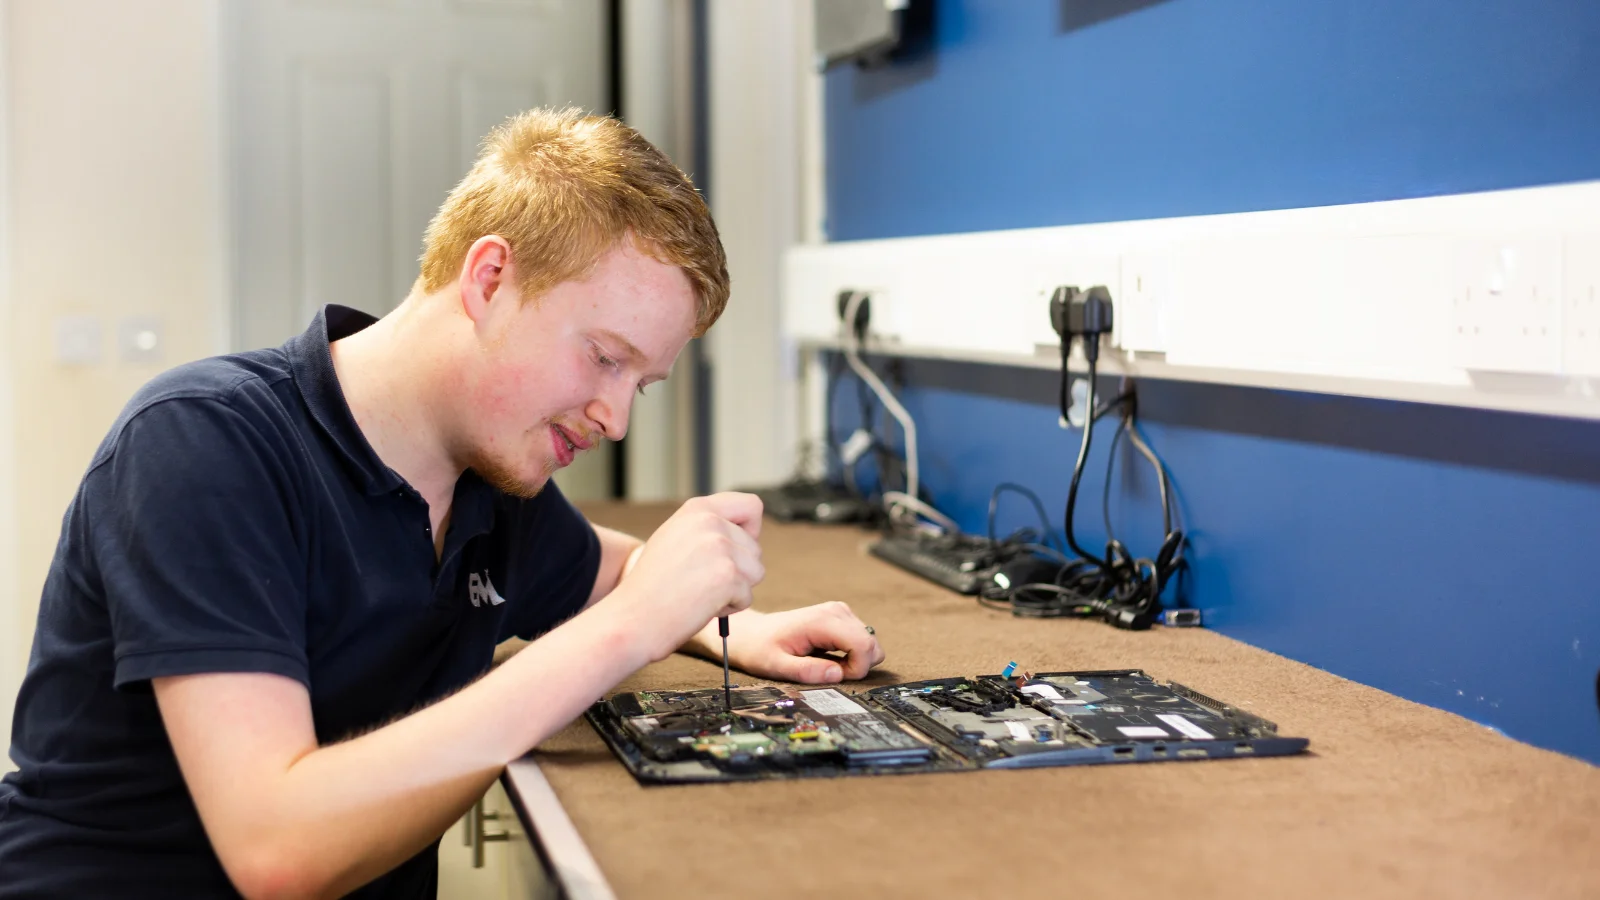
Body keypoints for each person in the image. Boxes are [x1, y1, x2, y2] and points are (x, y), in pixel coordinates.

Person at [0, 107, 885, 898]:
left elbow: (605, 571)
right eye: (605, 358)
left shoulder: (491, 480)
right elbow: (278, 849)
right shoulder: (201, 444)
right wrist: (631, 630)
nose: (615, 417)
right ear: (489, 278)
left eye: (641, 386)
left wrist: (720, 618)